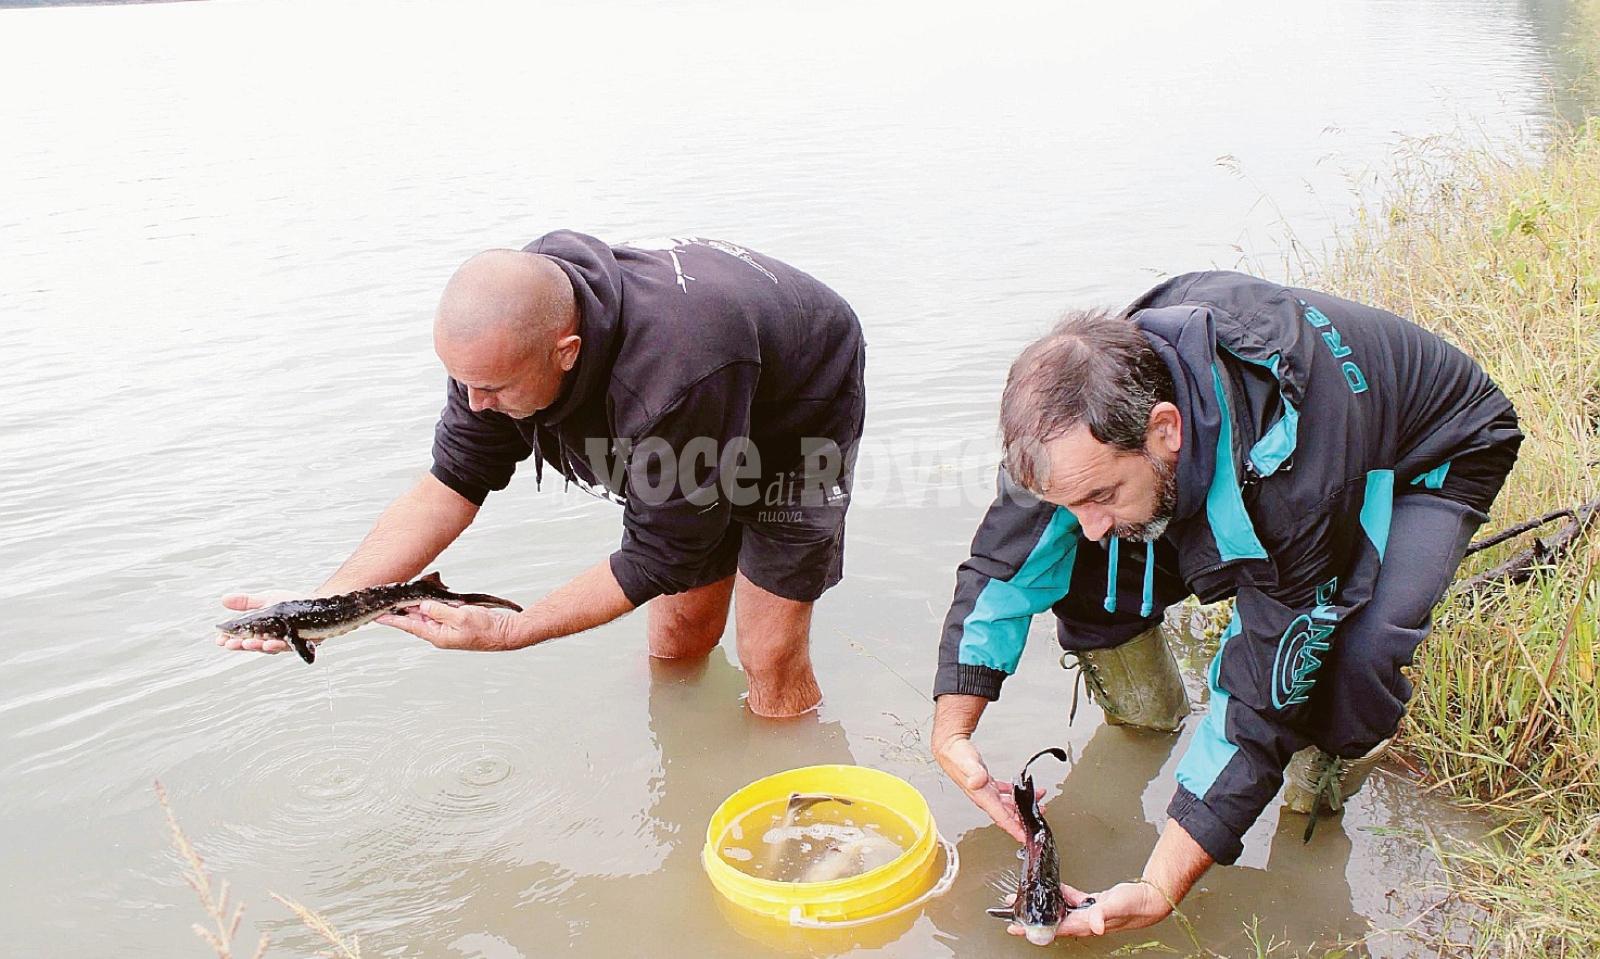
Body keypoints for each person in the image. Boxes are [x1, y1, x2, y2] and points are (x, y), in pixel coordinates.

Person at [930, 271, 1520, 938]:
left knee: (1352, 652)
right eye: (1071, 498)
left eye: (1099, 494)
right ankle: (1146, 714)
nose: (1086, 522)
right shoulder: (1077, 421)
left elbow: (1260, 693)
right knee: (1093, 557)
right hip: (1260, 453)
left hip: (1434, 448)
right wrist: (954, 728)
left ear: (1165, 429)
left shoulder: (1298, 484)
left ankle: (1320, 784)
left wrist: (1160, 885)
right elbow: (1007, 562)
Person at [217, 232, 866, 718]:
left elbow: (659, 556)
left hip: (794, 411)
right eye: (463, 383)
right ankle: (684, 747)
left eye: (493, 388)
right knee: (676, 636)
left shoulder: (672, 375)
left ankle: (790, 784)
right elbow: (450, 485)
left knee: (767, 655)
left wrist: (514, 629)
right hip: (696, 399)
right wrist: (323, 605)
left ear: (566, 352)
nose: (475, 405)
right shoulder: (500, 337)